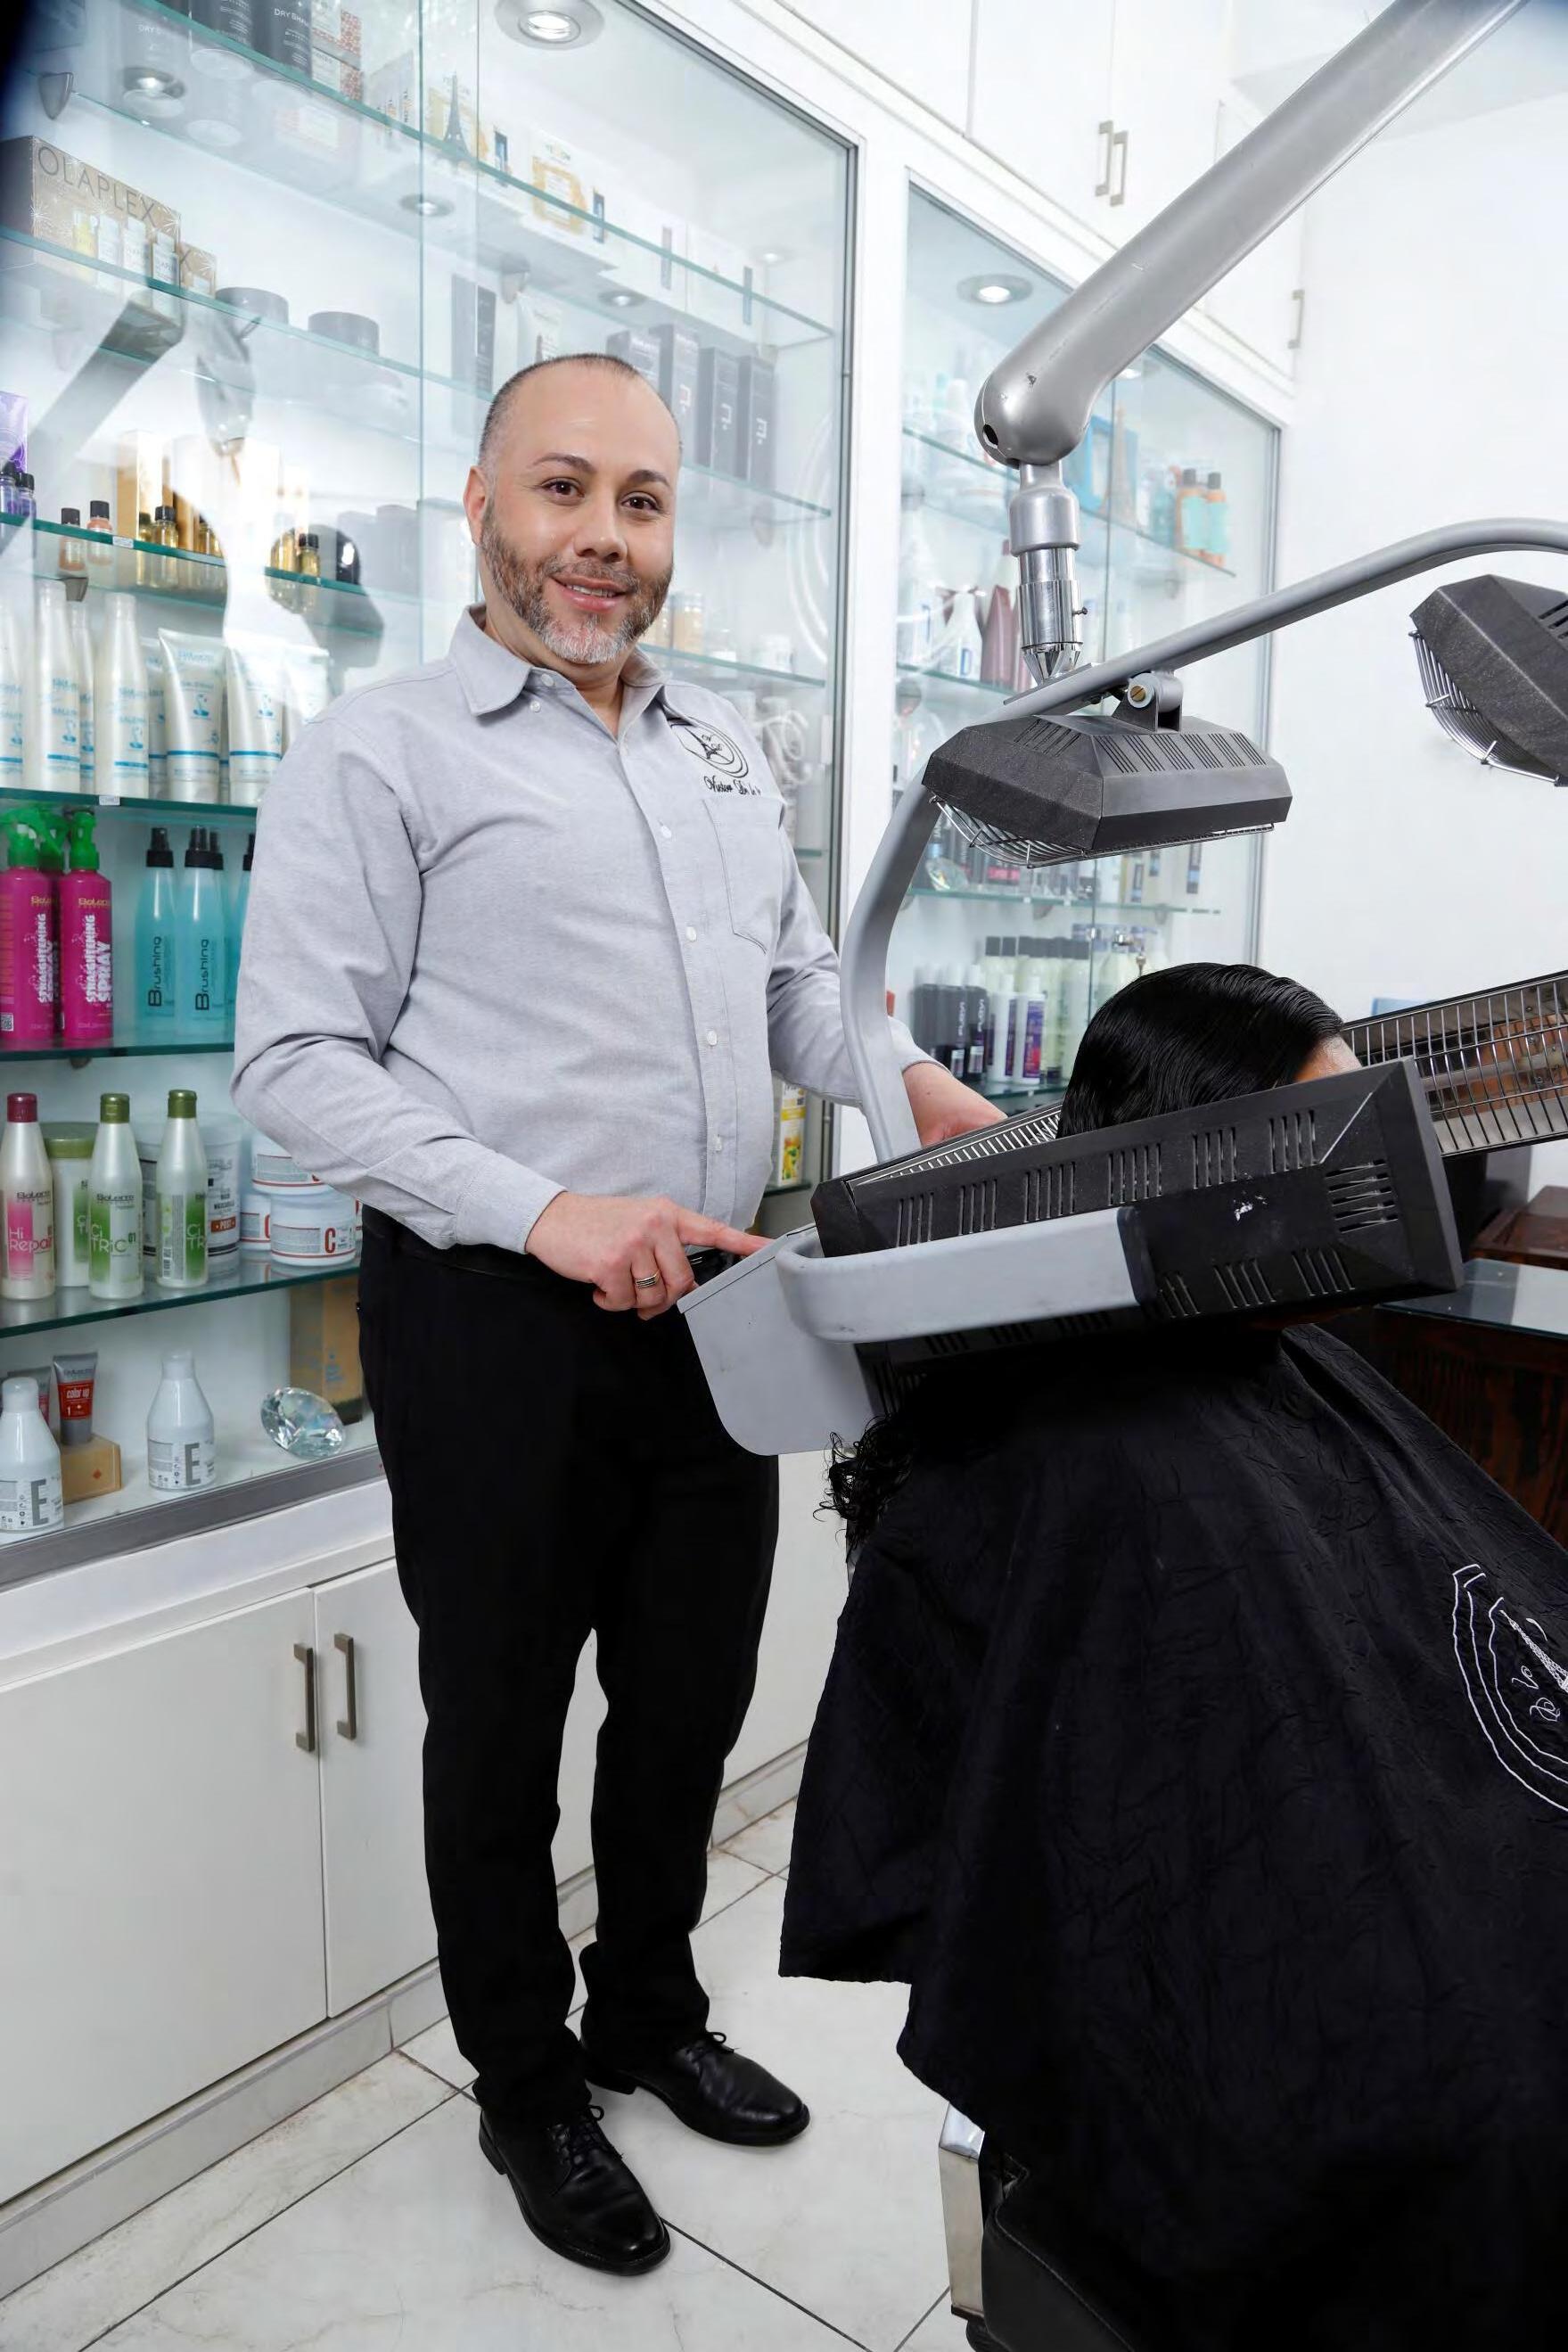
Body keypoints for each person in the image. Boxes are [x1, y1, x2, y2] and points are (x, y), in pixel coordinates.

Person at [233, 350, 997, 2280]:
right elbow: (296, 1062)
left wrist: (919, 1090)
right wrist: (546, 1211)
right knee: (497, 1721)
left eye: (641, 501)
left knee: (688, 1696)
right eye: (563, 488)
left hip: (719, 1307)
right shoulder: (379, 753)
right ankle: (524, 2080)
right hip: (493, 1316)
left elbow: (797, 988)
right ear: (481, 502)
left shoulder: (721, 747)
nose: (603, 537)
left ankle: (645, 2010)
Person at [782, 962, 1568, 2350]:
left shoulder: (1276, 1362)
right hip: (1382, 2009)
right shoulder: (1096, 1463)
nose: (1364, 1187)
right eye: (1325, 1145)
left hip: (1455, 1886)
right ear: (1203, 1161)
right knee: (1495, 2117)